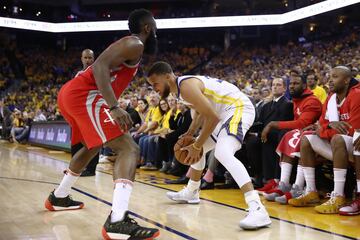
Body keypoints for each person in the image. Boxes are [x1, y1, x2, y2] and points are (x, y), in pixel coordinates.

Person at [44, 9, 160, 240]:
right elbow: (99, 67)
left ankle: (60, 196)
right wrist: (114, 107)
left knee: (93, 146)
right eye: (155, 25)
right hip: (84, 95)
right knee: (129, 148)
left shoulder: (133, 46)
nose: (157, 30)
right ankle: (117, 222)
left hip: (74, 94)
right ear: (147, 27)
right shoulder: (134, 43)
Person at [147, 61, 271, 230]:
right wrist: (191, 133)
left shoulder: (186, 86)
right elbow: (200, 112)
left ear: (168, 77)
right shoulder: (180, 90)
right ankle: (192, 191)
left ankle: (257, 208)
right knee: (195, 149)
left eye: (155, 84)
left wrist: (197, 143)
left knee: (222, 152)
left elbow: (211, 118)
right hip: (223, 114)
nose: (154, 89)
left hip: (238, 108)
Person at [289, 66, 360, 215]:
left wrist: (327, 129)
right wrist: (329, 125)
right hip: (339, 145)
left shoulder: (356, 95)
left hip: (354, 145)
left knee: (338, 138)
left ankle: (338, 196)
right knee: (307, 138)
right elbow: (320, 128)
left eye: (335, 77)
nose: (330, 80)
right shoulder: (331, 98)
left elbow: (354, 131)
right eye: (329, 76)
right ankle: (311, 191)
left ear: (346, 80)